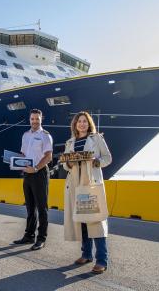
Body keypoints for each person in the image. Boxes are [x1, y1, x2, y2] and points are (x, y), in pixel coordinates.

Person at [62, 111, 112, 274]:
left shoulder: (96, 138)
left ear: (89, 123)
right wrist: (68, 163)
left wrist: (96, 162)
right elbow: (64, 165)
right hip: (76, 185)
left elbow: (107, 158)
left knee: (95, 221)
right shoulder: (70, 142)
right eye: (79, 121)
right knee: (81, 221)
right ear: (75, 125)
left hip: (89, 184)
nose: (82, 124)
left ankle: (102, 260)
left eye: (84, 121)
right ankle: (86, 254)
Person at [13, 109, 53, 250]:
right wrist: (16, 161)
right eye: (32, 119)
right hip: (27, 173)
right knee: (30, 207)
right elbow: (23, 153)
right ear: (29, 120)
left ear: (41, 119)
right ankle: (29, 235)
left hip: (39, 172)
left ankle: (41, 238)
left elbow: (48, 156)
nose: (35, 121)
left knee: (42, 207)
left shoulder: (45, 136)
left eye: (37, 119)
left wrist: (35, 168)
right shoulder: (25, 135)